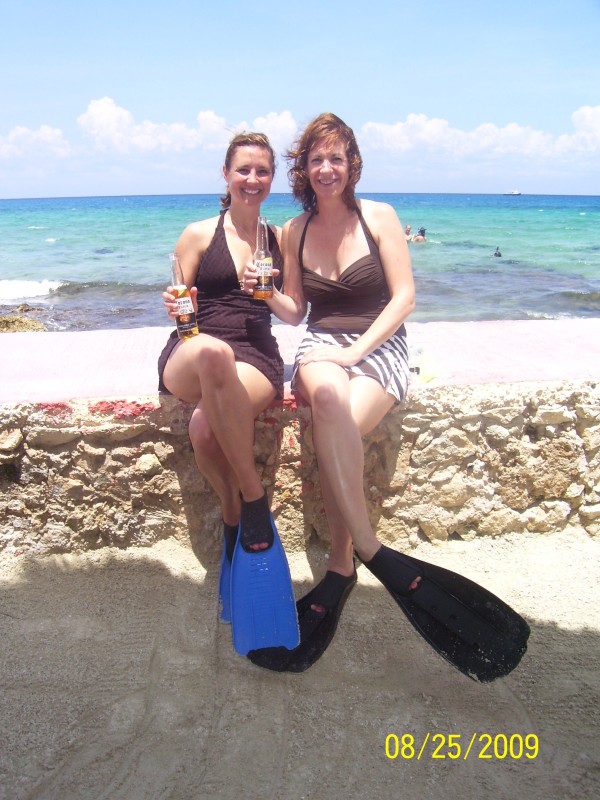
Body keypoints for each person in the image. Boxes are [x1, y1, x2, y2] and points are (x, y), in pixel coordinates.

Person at [242, 112, 417, 672]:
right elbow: (296, 311)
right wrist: (265, 293)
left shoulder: (379, 216)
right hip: (320, 343)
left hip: (378, 343)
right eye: (316, 159)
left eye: (336, 158)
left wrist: (355, 351)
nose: (326, 168)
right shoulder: (294, 231)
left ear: (352, 164)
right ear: (304, 168)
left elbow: (404, 298)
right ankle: (368, 546)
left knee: (337, 427)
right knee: (328, 400)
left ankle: (343, 562)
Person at [157, 131, 284, 576]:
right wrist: (176, 306)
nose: (252, 179)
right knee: (212, 351)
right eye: (243, 169)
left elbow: (294, 311)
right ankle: (253, 495)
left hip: (255, 354)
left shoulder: (278, 238)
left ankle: (231, 512)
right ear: (226, 174)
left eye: (262, 171)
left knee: (203, 427)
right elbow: (180, 305)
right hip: (195, 348)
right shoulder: (197, 234)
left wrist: (268, 293)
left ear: (272, 178)